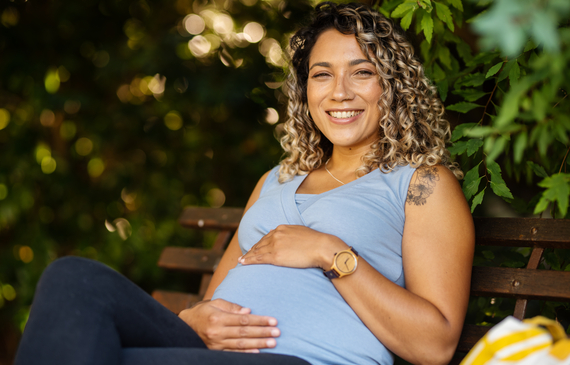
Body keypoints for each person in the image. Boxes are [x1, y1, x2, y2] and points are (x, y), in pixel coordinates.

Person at [15, 2, 474, 365]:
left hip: (304, 358)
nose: (339, 91)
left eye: (362, 72)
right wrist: (193, 319)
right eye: (322, 75)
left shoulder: (422, 185)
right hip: (204, 352)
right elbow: (213, 301)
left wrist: (328, 252)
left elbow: (433, 346)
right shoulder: (277, 178)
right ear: (305, 91)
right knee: (73, 277)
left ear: (392, 86)